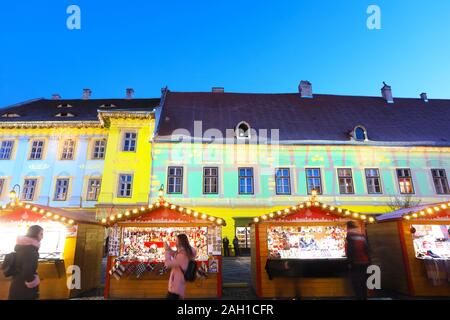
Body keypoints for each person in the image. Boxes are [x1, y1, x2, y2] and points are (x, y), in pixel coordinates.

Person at [8, 225, 43, 300]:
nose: (42, 237)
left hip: (16, 284)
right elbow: (27, 273)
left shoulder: (22, 248)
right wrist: (33, 283)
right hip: (24, 289)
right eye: (41, 234)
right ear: (35, 234)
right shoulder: (31, 251)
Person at [164, 233, 197, 300]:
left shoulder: (182, 255)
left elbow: (167, 264)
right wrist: (169, 249)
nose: (175, 242)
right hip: (179, 284)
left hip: (175, 286)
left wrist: (167, 251)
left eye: (176, 240)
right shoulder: (185, 252)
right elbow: (176, 256)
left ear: (180, 242)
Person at [345, 221, 370, 300]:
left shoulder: (350, 236)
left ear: (348, 227)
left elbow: (350, 250)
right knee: (363, 282)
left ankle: (359, 297)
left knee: (356, 282)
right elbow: (367, 249)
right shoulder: (362, 235)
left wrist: (350, 262)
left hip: (356, 262)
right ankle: (364, 297)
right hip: (365, 262)